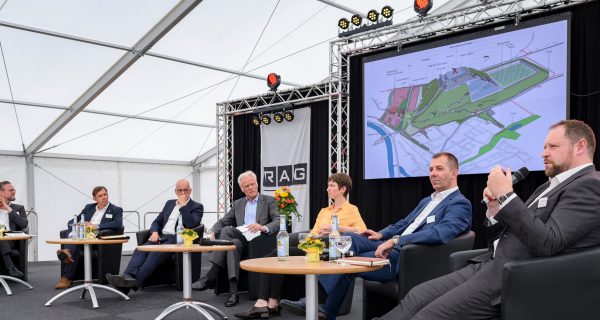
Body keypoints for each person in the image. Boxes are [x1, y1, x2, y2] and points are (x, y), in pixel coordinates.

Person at [377, 119, 600, 320]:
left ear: (580, 146)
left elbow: (549, 242)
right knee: (417, 295)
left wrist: (507, 196)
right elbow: (518, 231)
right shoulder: (550, 185)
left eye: (552, 147)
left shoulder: (589, 185)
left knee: (428, 315)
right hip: (490, 264)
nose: (544, 153)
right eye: (544, 147)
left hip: (513, 277)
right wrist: (495, 208)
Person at [281, 152, 473, 320]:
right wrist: (381, 234)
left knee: (344, 261)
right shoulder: (427, 200)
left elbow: (440, 233)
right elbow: (404, 223)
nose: (433, 173)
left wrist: (397, 240)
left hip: (407, 256)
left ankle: (319, 306)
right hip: (393, 245)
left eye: (439, 169)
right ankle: (322, 309)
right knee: (349, 241)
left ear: (454, 172)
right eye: (431, 169)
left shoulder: (459, 204)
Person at [234, 173, 367, 319]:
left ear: (343, 189)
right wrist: (314, 236)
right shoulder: (324, 211)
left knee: (278, 254)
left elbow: (361, 231)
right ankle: (269, 302)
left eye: (331, 186)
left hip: (333, 249)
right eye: (328, 185)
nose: (327, 189)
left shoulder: (352, 209)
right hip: (314, 248)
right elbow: (313, 233)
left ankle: (266, 305)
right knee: (273, 255)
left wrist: (336, 228)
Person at [192, 170, 280, 307]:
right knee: (232, 243)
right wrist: (211, 232)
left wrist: (263, 227)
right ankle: (233, 292)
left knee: (227, 232)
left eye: (253, 184)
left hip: (259, 241)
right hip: (241, 239)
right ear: (242, 189)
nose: (250, 187)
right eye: (247, 186)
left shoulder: (269, 201)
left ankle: (211, 275)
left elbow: (278, 221)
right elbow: (223, 221)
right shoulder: (238, 204)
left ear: (257, 184)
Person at [106, 179, 203, 294]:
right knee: (140, 249)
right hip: (161, 236)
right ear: (175, 191)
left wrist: (183, 206)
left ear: (190, 191)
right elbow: (157, 222)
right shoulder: (169, 203)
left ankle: (130, 285)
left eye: (185, 190)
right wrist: (155, 233)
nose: (182, 193)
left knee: (155, 253)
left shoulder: (196, 207)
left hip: (177, 239)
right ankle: (126, 277)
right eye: (180, 190)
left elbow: (191, 223)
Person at [54, 186, 123, 289]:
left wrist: (96, 226)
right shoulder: (89, 207)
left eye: (105, 194)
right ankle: (67, 255)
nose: (104, 197)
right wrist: (79, 225)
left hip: (98, 237)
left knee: (76, 237)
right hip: (83, 236)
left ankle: (66, 273)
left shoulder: (115, 209)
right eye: (100, 196)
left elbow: (118, 224)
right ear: (95, 198)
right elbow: (74, 220)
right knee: (75, 227)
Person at [0, 181, 28, 277]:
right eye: (11, 190)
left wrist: (8, 208)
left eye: (14, 189)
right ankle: (11, 267)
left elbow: (24, 224)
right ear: (1, 192)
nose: (14, 192)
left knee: (1, 235)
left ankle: (10, 267)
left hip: (9, 240)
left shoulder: (18, 208)